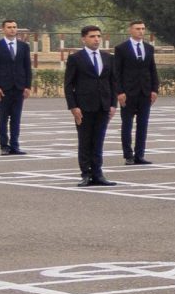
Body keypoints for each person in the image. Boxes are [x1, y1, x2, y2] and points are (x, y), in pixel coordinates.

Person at [63, 24, 117, 187]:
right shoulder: (76, 58)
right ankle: (86, 174)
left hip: (103, 105)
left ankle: (98, 174)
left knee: (98, 141)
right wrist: (73, 107)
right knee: (85, 141)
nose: (96, 39)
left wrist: (113, 104)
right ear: (84, 39)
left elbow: (113, 82)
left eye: (98, 36)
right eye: (92, 36)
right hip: (84, 106)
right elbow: (68, 85)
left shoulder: (108, 57)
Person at [113, 21, 158, 165]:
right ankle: (128, 155)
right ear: (130, 30)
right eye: (137, 29)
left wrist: (154, 89)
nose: (141, 31)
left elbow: (152, 70)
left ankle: (140, 155)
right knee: (127, 124)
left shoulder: (149, 48)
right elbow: (116, 72)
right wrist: (120, 92)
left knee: (143, 125)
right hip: (128, 93)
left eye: (143, 29)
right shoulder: (121, 48)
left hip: (145, 92)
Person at [0, 20, 32, 156]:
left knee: (16, 118)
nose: (12, 29)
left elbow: (27, 67)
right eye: (9, 27)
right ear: (3, 29)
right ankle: (4, 146)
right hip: (3, 88)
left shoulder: (24, 46)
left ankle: (14, 145)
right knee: (3, 118)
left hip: (19, 87)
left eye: (14, 27)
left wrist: (27, 86)